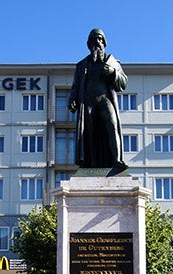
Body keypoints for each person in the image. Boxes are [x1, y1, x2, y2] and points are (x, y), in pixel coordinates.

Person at [68, 28, 129, 173]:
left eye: (100, 40)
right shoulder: (82, 65)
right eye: (94, 40)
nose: (97, 43)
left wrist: (113, 73)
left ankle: (117, 160)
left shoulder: (112, 61)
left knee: (112, 124)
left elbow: (124, 82)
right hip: (87, 101)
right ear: (89, 45)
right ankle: (90, 165)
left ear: (104, 43)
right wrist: (72, 98)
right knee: (89, 133)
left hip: (104, 99)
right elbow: (75, 86)